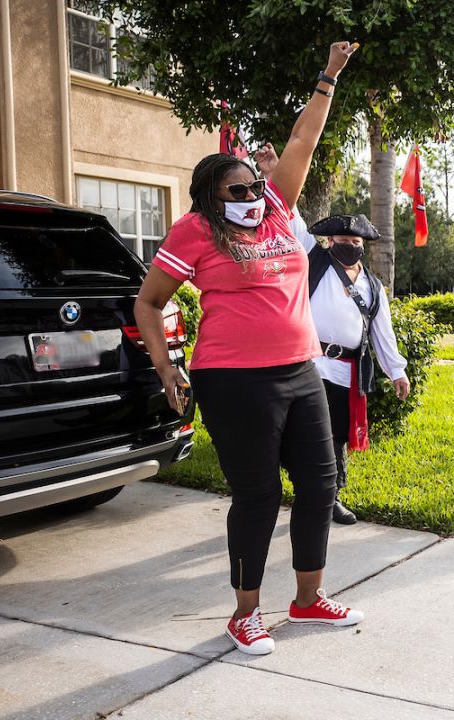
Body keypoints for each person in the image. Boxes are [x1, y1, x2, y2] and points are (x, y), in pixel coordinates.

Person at [134, 41, 363, 656]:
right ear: (211, 196)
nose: (252, 193)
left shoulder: (277, 211)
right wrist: (167, 367)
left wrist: (328, 77)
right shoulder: (194, 231)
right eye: (237, 188)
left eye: (253, 184)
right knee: (259, 495)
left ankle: (308, 600)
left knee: (318, 488)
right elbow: (148, 302)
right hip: (234, 380)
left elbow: (302, 145)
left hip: (299, 371)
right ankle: (245, 613)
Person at [255, 145, 412, 524]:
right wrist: (276, 171)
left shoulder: (373, 286)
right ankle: (294, 491)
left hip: (346, 372)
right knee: (303, 435)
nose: (350, 246)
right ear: (329, 242)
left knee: (337, 436)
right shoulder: (313, 259)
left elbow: (381, 331)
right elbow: (288, 214)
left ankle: (330, 497)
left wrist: (397, 371)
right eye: (343, 241)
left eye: (357, 243)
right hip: (309, 365)